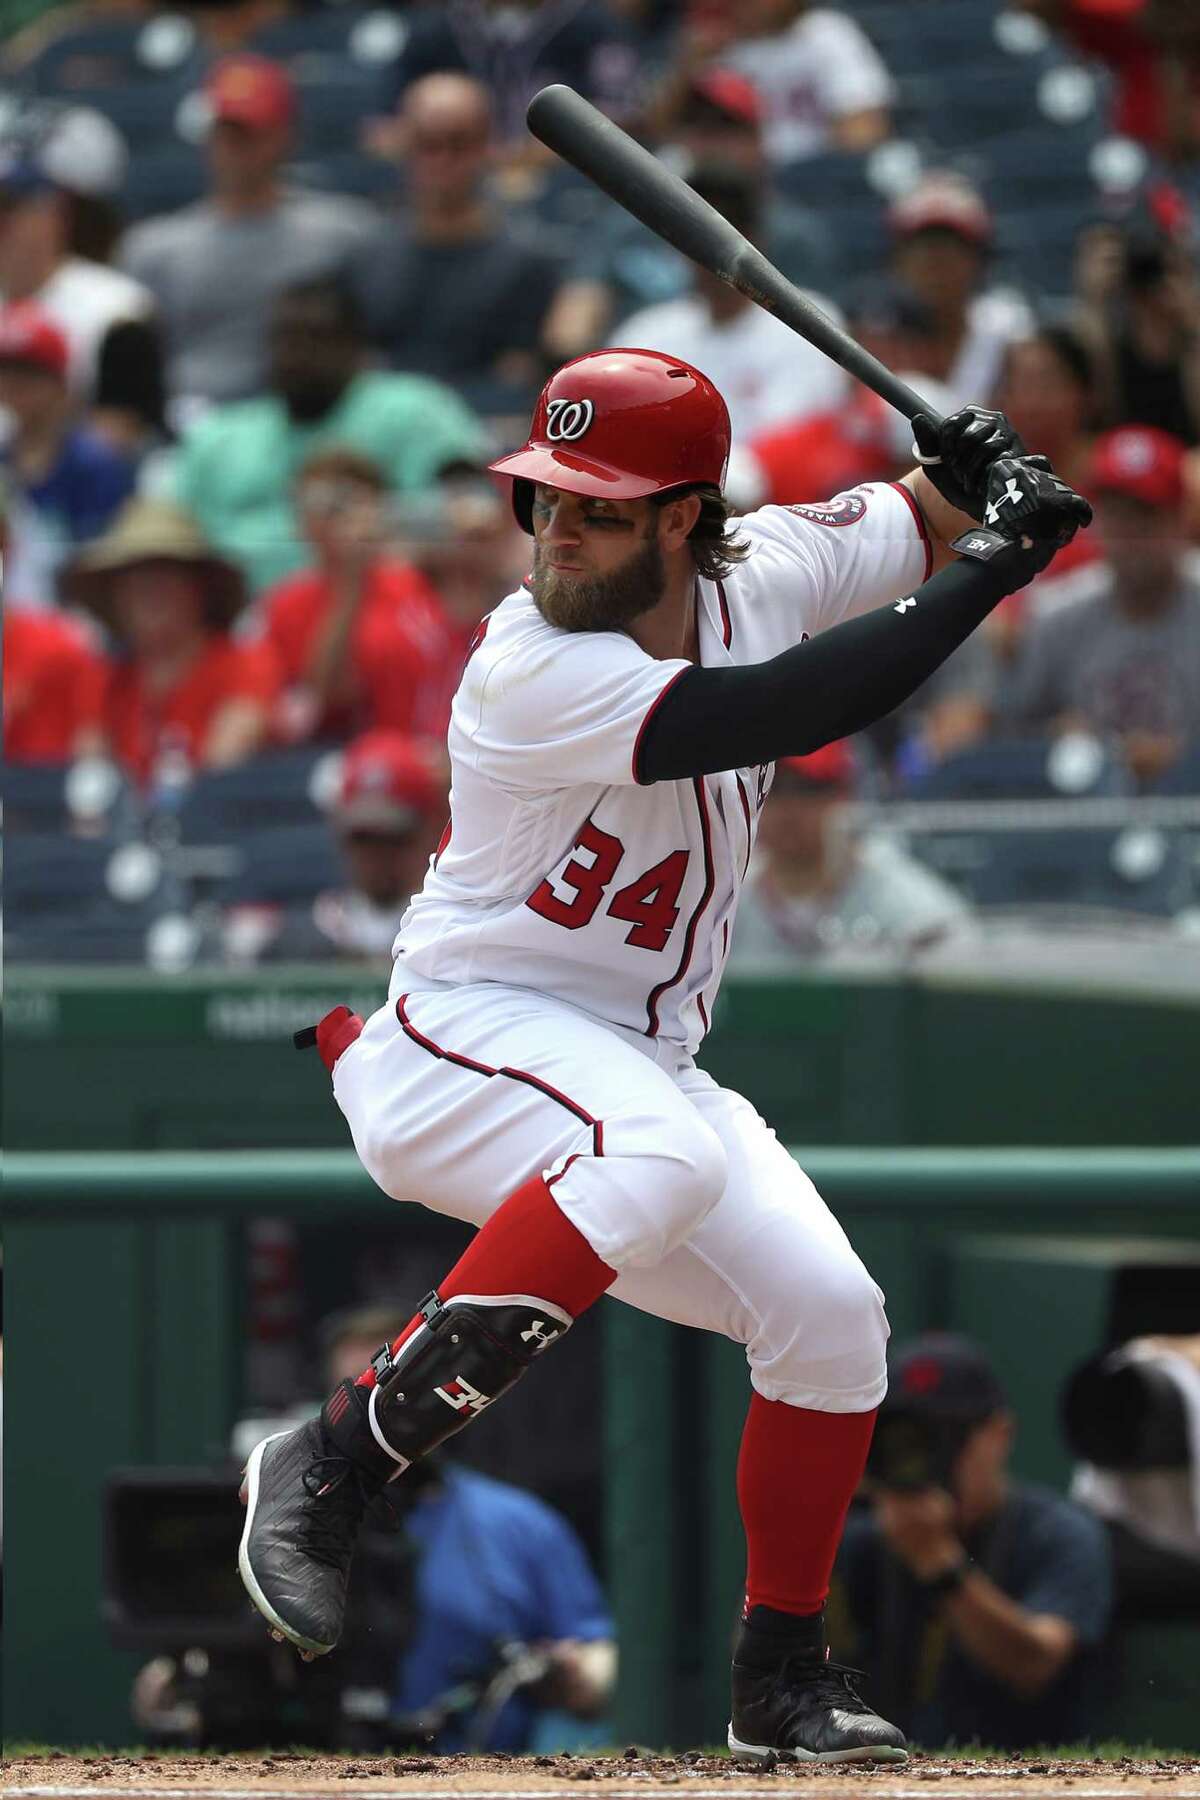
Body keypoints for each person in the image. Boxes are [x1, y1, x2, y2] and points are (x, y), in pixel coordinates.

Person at [235, 347, 1090, 1763]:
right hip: (469, 1033)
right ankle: (334, 1459)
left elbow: (910, 514)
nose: (558, 533)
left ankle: (780, 1677)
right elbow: (788, 712)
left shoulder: (766, 568)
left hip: (636, 1057)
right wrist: (988, 565)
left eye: (601, 508)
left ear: (689, 518)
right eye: (546, 500)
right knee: (662, 1150)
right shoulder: (528, 662)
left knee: (831, 1320)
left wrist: (974, 478)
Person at [138, 1302, 616, 1751]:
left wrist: (572, 1672)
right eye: (360, 1407)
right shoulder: (275, 1520)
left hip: (463, 1769)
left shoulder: (517, 1525)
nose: (377, 1427)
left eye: (401, 1404)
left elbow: (598, 1665)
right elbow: (164, 1686)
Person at [829, 1334, 1113, 1751]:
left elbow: (1036, 1663)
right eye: (905, 1442)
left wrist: (939, 1563)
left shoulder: (1061, 1533)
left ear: (999, 1435)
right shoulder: (862, 1537)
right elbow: (774, 1664)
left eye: (945, 1438)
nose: (924, 1461)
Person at [170, 276, 489, 595]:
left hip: (376, 607)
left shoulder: (413, 409)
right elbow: (167, 533)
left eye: (315, 339)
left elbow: (472, 509)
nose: (295, 356)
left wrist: (369, 520)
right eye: (284, 340)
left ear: (355, 347)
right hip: (238, 618)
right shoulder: (220, 436)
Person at [120, 55, 378, 420]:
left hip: (310, 417)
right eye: (223, 131)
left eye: (247, 133)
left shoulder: (343, 234)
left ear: (285, 135)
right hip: (192, 422)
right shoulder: (155, 247)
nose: (232, 147)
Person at [354, 74, 569, 417]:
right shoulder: (365, 256)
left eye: (458, 144)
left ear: (488, 147)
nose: (441, 162)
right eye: (427, 144)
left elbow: (520, 376)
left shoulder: (528, 262)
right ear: (402, 146)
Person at [1002, 424, 1200, 786]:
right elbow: (1014, 738)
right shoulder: (1057, 615)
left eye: (1143, 515)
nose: (1127, 533)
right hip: (1088, 821)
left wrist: (1182, 757)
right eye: (1115, 514)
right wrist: (1058, 736)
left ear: (1178, 519)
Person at [618, 159, 848, 446]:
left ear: (754, 238)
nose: (707, 253)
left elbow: (798, 441)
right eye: (693, 236)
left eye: (723, 235)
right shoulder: (649, 332)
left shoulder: (807, 319)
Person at [63, 495, 279, 785]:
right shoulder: (104, 678)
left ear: (200, 587)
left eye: (165, 572)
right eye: (132, 577)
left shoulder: (245, 663)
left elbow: (217, 776)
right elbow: (90, 784)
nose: (148, 590)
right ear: (115, 595)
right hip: (127, 826)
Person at [257, 447, 459, 747]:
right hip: (339, 752)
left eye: (353, 506)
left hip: (431, 740)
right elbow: (323, 701)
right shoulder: (285, 604)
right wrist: (351, 582)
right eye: (325, 509)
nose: (342, 523)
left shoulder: (417, 581)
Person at [730, 741, 971, 966]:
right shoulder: (728, 891)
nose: (789, 808)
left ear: (846, 794)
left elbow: (960, 960)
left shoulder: (900, 899)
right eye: (774, 788)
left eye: (809, 789)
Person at [222, 731, 448, 966]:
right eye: (363, 838)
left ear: (429, 831)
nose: (378, 855)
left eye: (394, 839)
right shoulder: (306, 939)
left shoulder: (450, 936)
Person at [0, 113, 155, 400]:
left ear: (57, 213)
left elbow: (119, 430)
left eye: (9, 207)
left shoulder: (117, 308)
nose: (3, 223)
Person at [0, 298, 136, 608]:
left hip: (78, 617)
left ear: (60, 384)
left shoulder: (94, 463)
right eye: (4, 372)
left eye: (27, 373)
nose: (12, 387)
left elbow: (103, 564)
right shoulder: (2, 457)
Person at [888, 173, 1034, 412]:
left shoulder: (1008, 332)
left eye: (948, 250)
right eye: (922, 250)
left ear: (979, 260)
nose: (934, 263)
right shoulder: (875, 337)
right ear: (899, 262)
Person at [691, 0, 894, 164]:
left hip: (811, 175)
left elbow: (864, 130)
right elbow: (664, 133)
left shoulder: (826, 32)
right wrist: (686, 68)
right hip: (746, 180)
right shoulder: (722, 47)